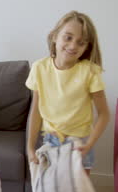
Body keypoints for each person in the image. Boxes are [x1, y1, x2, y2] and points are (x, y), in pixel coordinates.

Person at [26, 11, 110, 175]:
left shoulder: (90, 72)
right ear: (55, 36)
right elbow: (35, 112)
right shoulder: (39, 68)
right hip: (50, 141)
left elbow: (104, 114)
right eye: (68, 37)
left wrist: (89, 144)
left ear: (86, 47)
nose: (73, 46)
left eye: (81, 42)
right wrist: (29, 148)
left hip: (80, 143)